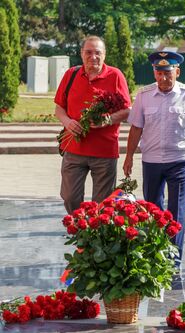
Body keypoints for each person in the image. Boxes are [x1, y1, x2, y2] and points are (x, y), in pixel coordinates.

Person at [123, 51, 185, 267]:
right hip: (151, 160)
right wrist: (129, 156)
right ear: (154, 73)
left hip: (180, 159)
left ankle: (173, 259)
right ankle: (155, 252)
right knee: (152, 208)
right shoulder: (144, 95)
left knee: (177, 210)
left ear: (177, 72)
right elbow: (136, 128)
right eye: (159, 73)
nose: (163, 78)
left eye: (168, 73)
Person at [54, 35, 131, 214]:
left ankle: (94, 236)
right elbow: (59, 108)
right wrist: (68, 122)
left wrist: (107, 120)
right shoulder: (71, 74)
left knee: (102, 204)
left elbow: (128, 110)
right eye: (88, 52)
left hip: (104, 151)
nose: (93, 57)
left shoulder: (115, 75)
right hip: (74, 148)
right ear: (81, 54)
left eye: (97, 52)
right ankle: (79, 229)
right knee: (69, 196)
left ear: (104, 54)